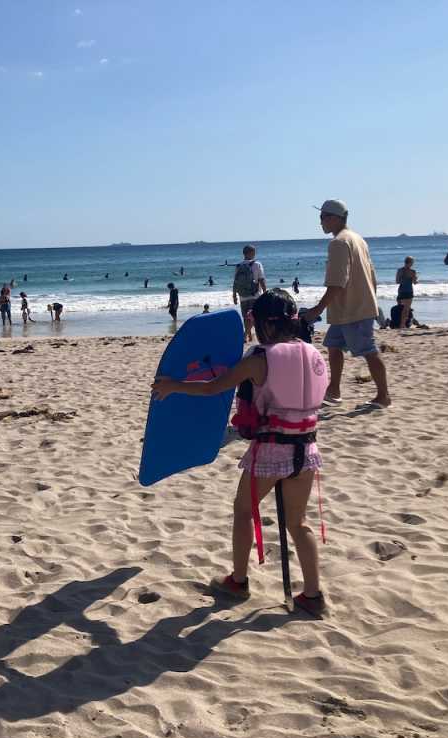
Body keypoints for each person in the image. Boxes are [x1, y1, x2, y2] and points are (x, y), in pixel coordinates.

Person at [151, 289, 328, 615]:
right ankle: (314, 595)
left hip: (272, 450)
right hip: (307, 450)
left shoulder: (260, 360)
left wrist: (173, 386)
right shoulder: (314, 353)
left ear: (265, 324)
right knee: (298, 523)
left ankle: (238, 580)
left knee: (244, 509)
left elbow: (213, 387)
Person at [302, 199, 390, 408]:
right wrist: (372, 300)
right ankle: (334, 391)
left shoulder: (339, 243)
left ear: (334, 218)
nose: (320, 222)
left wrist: (317, 310)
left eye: (323, 217)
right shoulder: (358, 239)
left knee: (369, 351)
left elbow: (337, 282)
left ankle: (383, 396)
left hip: (353, 308)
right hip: (350, 308)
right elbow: (372, 274)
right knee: (333, 347)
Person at [232, 245, 266, 342]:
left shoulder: (238, 265)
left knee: (246, 317)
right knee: (254, 316)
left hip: (243, 296)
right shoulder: (257, 264)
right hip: (255, 295)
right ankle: (245, 335)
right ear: (252, 253)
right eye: (254, 252)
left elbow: (235, 282)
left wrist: (234, 295)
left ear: (243, 253)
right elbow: (261, 279)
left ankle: (250, 337)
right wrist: (265, 292)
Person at [395, 257, 417, 329]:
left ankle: (398, 323)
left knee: (400, 308)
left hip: (401, 290)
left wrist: (404, 278)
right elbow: (415, 282)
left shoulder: (400, 270)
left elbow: (397, 281)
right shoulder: (413, 271)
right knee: (406, 309)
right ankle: (402, 324)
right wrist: (414, 278)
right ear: (411, 263)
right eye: (412, 262)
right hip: (408, 290)